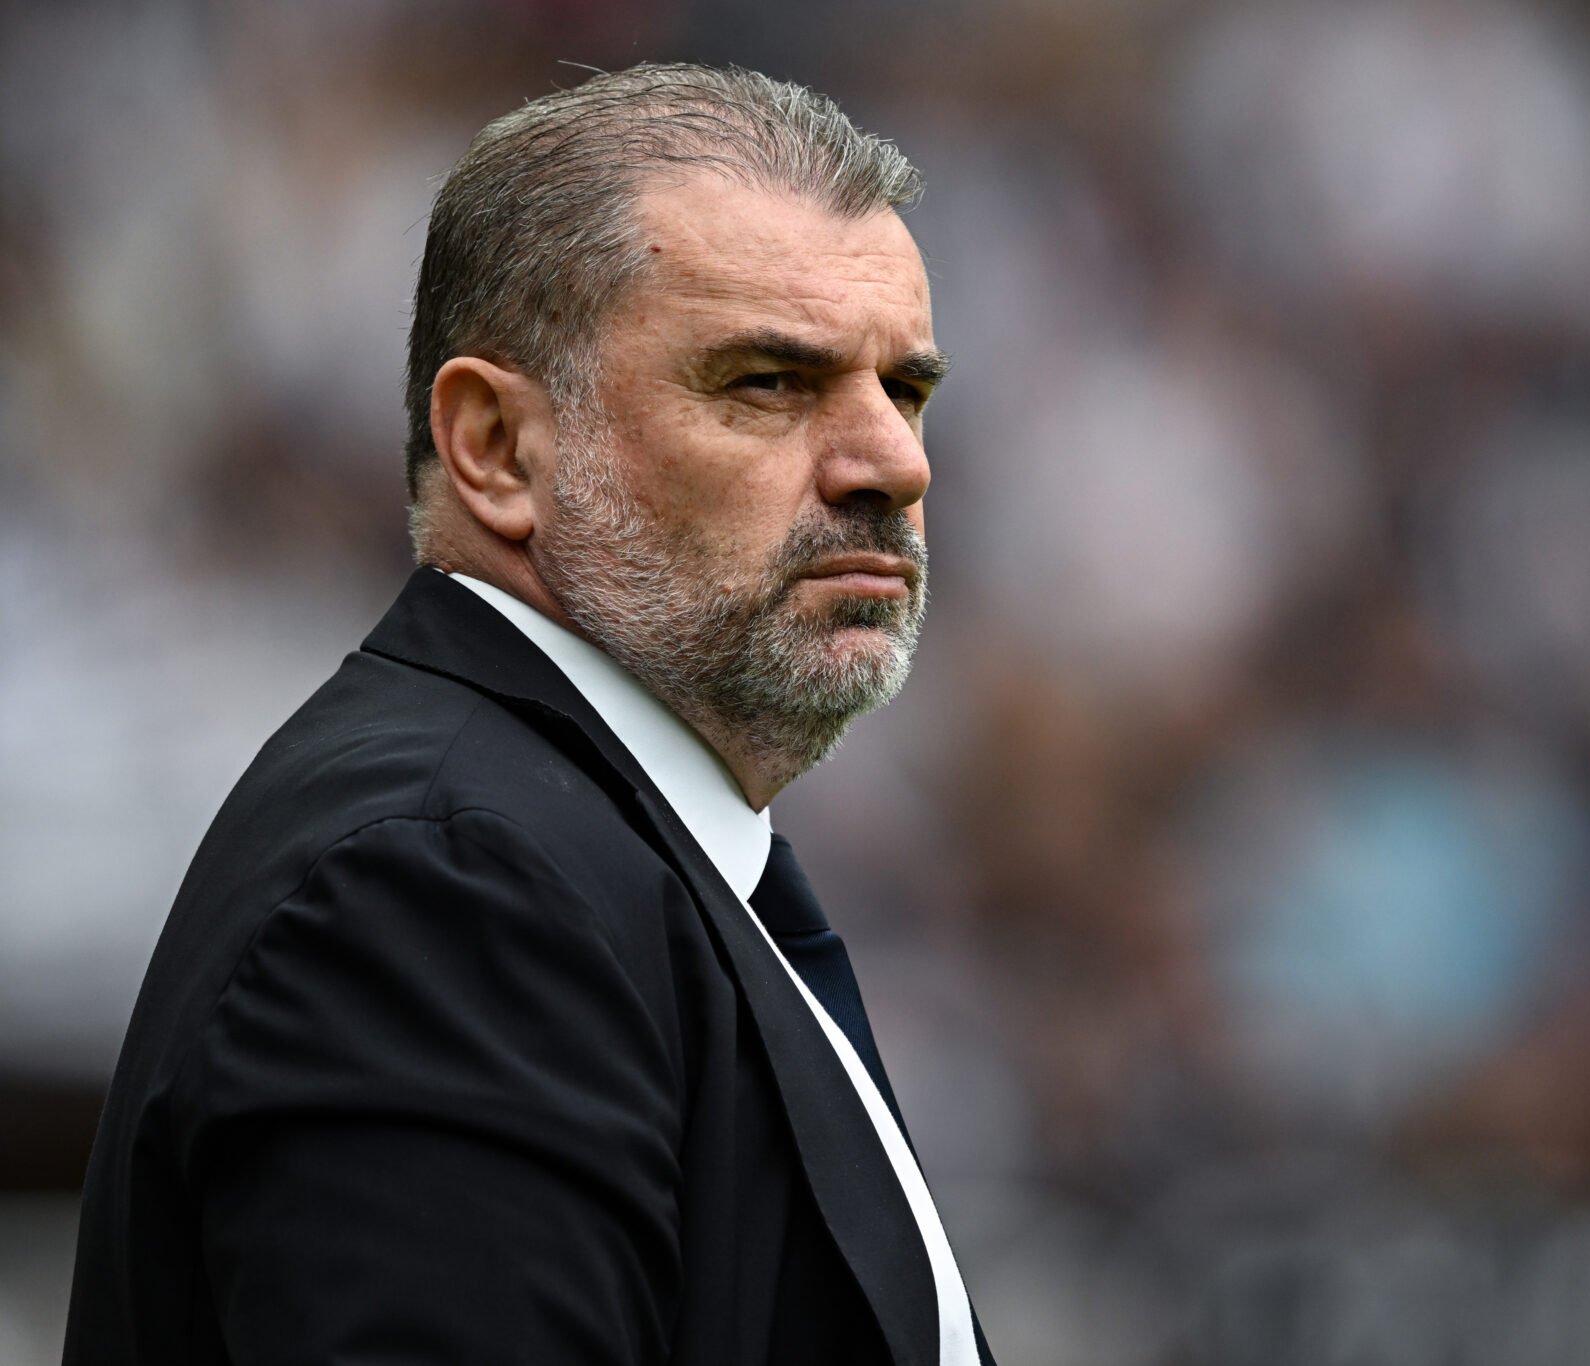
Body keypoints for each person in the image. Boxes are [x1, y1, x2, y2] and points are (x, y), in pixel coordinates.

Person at [64, 62, 991, 1366]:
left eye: (905, 389)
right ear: (497, 447)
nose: (895, 461)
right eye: (769, 382)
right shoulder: (446, 887)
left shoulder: (573, 856)